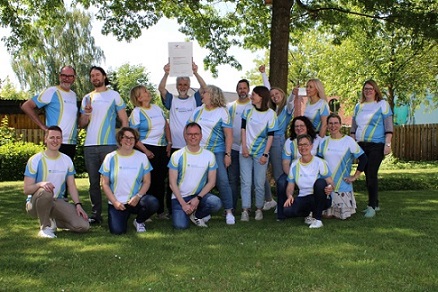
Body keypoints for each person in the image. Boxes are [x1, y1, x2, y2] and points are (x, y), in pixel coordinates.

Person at [79, 66, 129, 224]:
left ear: (104, 76)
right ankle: (96, 215)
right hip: (90, 146)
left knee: (113, 181)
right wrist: (86, 114)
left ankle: (117, 211)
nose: (95, 78)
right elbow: (81, 123)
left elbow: (124, 121)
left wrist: (122, 141)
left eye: (97, 75)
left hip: (109, 145)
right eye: (92, 76)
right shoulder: (87, 97)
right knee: (94, 182)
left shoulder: (114, 95)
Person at [23, 126, 89, 238]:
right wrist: (40, 184)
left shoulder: (67, 160)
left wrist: (78, 205)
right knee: (46, 191)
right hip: (35, 203)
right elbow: (27, 189)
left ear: (62, 140)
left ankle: (53, 221)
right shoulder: (35, 160)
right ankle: (45, 228)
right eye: (52, 137)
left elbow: (71, 185)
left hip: (58, 201)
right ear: (45, 139)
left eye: (58, 138)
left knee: (83, 226)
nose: (55, 140)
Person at [189, 85, 235, 225]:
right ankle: (203, 212)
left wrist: (227, 154)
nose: (202, 94)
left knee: (222, 181)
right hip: (199, 152)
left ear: (213, 95)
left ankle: (229, 212)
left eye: (205, 93)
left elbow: (228, 135)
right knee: (199, 183)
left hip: (217, 151)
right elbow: (189, 130)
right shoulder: (197, 111)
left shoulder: (223, 112)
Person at [100, 127, 159, 234]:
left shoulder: (142, 157)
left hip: (136, 201)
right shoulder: (110, 157)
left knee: (153, 202)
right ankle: (123, 216)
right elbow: (105, 184)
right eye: (126, 137)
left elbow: (147, 181)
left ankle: (139, 221)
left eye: (132, 138)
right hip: (118, 203)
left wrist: (138, 196)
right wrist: (115, 202)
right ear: (120, 139)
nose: (129, 140)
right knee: (117, 231)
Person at [350, 80, 393, 218]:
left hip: (377, 145)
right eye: (365, 88)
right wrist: (352, 141)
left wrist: (388, 144)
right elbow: (353, 127)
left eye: (371, 88)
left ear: (375, 90)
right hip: (361, 145)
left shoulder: (382, 105)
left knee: (371, 172)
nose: (367, 91)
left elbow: (389, 127)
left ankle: (371, 206)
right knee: (368, 174)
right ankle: (376, 202)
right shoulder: (358, 106)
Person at [168, 122, 222, 229]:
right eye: (189, 134)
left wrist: (197, 198)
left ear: (201, 136)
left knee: (216, 203)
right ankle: (187, 212)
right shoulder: (177, 155)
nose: (193, 137)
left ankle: (197, 215)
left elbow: (212, 182)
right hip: (180, 198)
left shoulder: (209, 155)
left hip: (199, 196)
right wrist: (183, 204)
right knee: (180, 226)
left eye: (196, 134)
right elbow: (172, 183)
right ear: (185, 136)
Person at [129, 85, 172, 219]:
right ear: (139, 97)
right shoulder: (136, 112)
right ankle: (145, 211)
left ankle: (160, 212)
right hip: (145, 148)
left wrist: (169, 143)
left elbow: (166, 126)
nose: (148, 92)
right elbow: (133, 136)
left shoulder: (157, 108)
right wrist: (145, 150)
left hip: (161, 148)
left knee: (160, 181)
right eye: (145, 91)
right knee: (147, 181)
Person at [21, 65, 78, 160]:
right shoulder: (51, 91)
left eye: (70, 76)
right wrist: (42, 126)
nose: (66, 79)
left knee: (67, 174)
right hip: (55, 142)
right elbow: (26, 106)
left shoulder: (73, 95)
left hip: (71, 143)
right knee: (52, 173)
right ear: (60, 76)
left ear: (74, 78)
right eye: (64, 75)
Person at [278, 134, 334, 229]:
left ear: (311, 146)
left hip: (319, 197)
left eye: (306, 144)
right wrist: (289, 196)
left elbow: (330, 182)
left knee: (320, 182)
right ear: (298, 147)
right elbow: (290, 186)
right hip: (304, 197)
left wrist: (330, 188)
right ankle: (309, 214)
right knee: (287, 210)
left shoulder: (320, 162)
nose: (303, 147)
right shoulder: (294, 164)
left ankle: (318, 219)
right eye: (300, 145)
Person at [318, 113, 368, 219]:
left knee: (341, 216)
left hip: (342, 185)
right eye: (330, 123)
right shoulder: (324, 141)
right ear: (327, 125)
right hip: (327, 186)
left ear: (340, 125)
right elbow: (318, 162)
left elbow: (363, 158)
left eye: (336, 123)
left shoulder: (348, 141)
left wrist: (355, 176)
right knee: (327, 216)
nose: (333, 126)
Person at [259, 65, 295, 211]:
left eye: (276, 94)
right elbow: (267, 91)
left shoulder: (286, 109)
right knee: (260, 172)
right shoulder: (271, 111)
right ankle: (269, 200)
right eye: (272, 96)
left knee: (279, 173)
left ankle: (284, 201)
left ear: (282, 93)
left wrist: (293, 93)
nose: (274, 97)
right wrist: (263, 74)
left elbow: (291, 102)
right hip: (265, 141)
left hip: (278, 142)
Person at [240, 86, 278, 221]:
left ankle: (258, 209)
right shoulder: (247, 110)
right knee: (245, 181)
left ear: (261, 97)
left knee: (259, 182)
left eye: (254, 94)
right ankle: (245, 209)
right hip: (245, 152)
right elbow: (243, 129)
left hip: (261, 153)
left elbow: (270, 136)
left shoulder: (271, 114)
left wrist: (265, 154)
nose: (251, 96)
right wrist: (244, 147)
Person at [276, 116, 321, 220]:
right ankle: (281, 213)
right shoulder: (289, 142)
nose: (299, 128)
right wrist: (293, 178)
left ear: (307, 127)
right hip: (294, 172)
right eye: (296, 126)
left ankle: (314, 210)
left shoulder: (317, 140)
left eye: (302, 126)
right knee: (281, 183)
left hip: (313, 173)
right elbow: (285, 163)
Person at [158, 61, 206, 151]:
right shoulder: (171, 99)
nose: (182, 87)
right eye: (180, 84)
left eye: (185, 85)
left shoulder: (194, 99)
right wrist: (166, 74)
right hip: (175, 145)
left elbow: (204, 88)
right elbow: (161, 88)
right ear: (176, 86)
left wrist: (195, 72)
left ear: (189, 86)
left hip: (192, 145)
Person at [227, 79, 252, 210]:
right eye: (240, 88)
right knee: (233, 179)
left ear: (248, 90)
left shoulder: (253, 105)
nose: (242, 90)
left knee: (248, 180)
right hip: (233, 148)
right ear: (237, 90)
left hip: (248, 150)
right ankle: (231, 208)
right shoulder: (230, 106)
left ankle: (248, 208)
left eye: (244, 88)